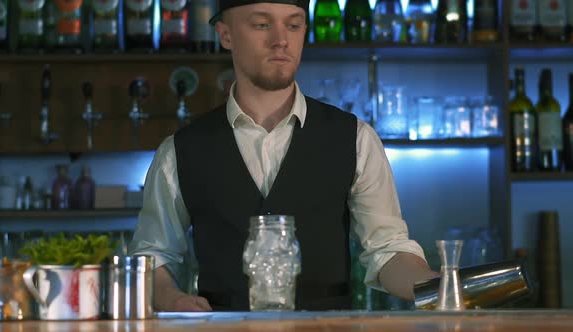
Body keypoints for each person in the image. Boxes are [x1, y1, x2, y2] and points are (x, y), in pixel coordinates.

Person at [129, 0, 437, 312]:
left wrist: (441, 289)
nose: (281, 40)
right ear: (225, 35)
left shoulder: (356, 138)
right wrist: (172, 299)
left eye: (293, 25)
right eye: (262, 25)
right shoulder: (180, 151)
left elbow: (387, 250)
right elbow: (152, 256)